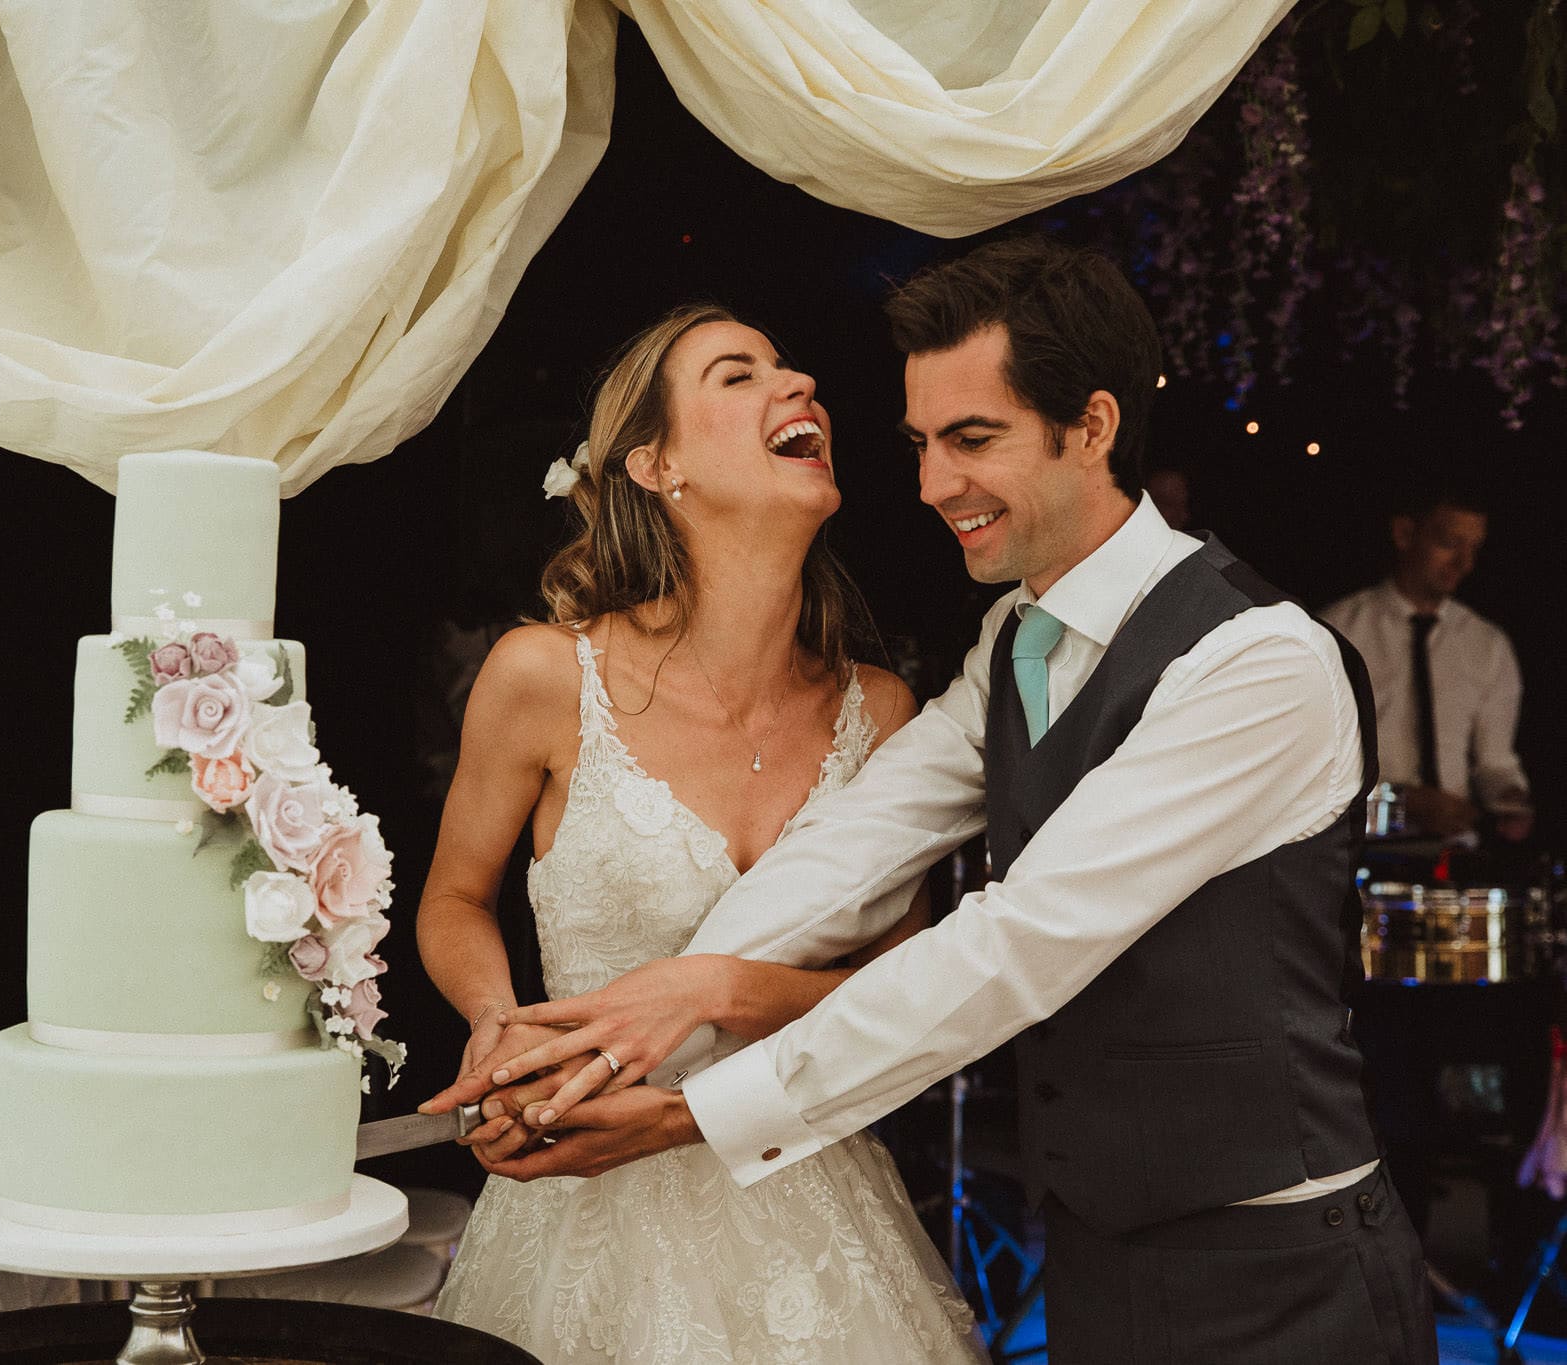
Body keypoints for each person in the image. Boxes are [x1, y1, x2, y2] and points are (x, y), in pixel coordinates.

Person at [429, 238, 1437, 1363]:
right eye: (919, 445)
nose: (930, 486)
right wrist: (629, 1028)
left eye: (973, 441)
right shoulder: (1013, 640)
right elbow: (854, 845)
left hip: (1279, 1272)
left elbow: (1015, 944)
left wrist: (691, 1109)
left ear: (1092, 428)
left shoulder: (1255, 664)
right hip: (1097, 1264)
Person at [415, 304, 988, 1362]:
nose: (797, 380)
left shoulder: (884, 713)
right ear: (655, 463)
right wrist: (497, 1021)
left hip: (810, 1211)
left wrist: (719, 990)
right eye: (738, 374)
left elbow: (901, 994)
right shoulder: (543, 676)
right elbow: (452, 900)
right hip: (579, 1213)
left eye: (788, 363)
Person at [1323, 480, 1533, 842]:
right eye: (1450, 544)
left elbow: (1495, 763)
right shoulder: (1340, 630)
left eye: (1474, 549)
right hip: (1357, 850)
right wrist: (1403, 803)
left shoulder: (1487, 644)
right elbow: (1314, 767)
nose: (1465, 563)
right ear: (1405, 534)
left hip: (1453, 856)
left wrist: (1509, 799)